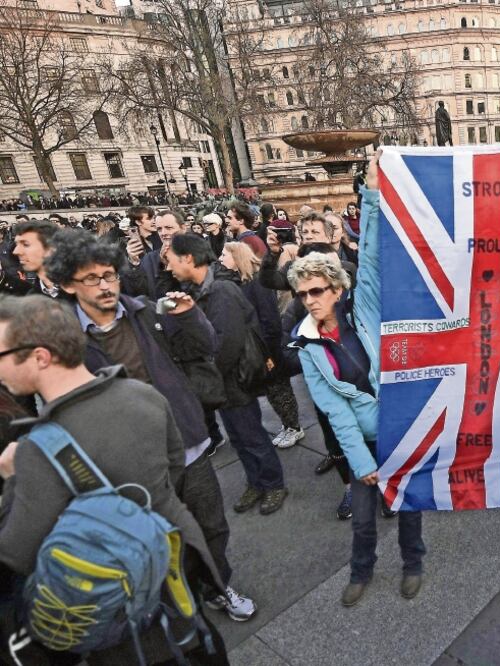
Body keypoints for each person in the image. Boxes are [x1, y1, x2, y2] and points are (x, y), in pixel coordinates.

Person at [0, 295, 228, 664]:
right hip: (178, 576)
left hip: (120, 620)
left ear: (41, 357)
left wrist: (12, 480)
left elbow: (15, 553)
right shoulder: (144, 395)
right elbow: (172, 469)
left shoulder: (36, 451)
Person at [46, 229, 257, 623]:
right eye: (92, 278)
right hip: (127, 461)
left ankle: (217, 584)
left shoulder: (146, 310)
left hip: (185, 442)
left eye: (109, 275)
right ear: (68, 284)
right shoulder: (63, 339)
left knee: (210, 523)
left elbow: (204, 347)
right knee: (156, 535)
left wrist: (189, 315)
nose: (106, 285)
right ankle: (177, 596)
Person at [289, 153, 425, 607]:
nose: (309, 300)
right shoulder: (306, 344)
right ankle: (361, 571)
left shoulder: (362, 308)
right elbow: (333, 410)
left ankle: (413, 564)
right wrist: (360, 462)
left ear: (337, 289)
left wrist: (371, 190)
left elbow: (369, 252)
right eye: (302, 293)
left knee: (408, 506)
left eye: (317, 291)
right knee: (364, 518)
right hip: (362, 442)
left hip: (400, 426)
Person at [165, 233, 288, 515]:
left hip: (235, 380)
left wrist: (207, 376)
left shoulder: (220, 290)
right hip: (222, 383)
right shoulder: (196, 290)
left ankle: (274, 484)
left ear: (188, 259)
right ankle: (256, 483)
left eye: (170, 261)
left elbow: (226, 346)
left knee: (252, 436)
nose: (168, 268)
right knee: (240, 439)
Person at [219, 241, 304, 449]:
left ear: (237, 257)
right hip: (260, 347)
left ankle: (294, 427)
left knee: (279, 388)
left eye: (224, 255)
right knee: (273, 389)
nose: (220, 258)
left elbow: (269, 318)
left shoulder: (256, 282)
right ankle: (288, 425)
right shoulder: (241, 281)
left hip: (269, 347)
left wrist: (269, 353)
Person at [12, 219, 60, 297]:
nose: (16, 251)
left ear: (51, 248)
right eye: (16, 245)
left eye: (26, 244)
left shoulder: (80, 289)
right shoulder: (30, 298)